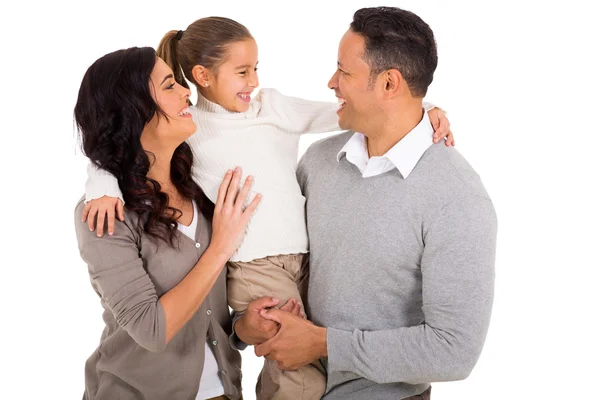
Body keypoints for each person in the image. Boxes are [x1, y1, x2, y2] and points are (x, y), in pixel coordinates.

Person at [81, 17, 454, 400]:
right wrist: (102, 183)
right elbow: (118, 151)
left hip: (243, 357)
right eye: (171, 85)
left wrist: (422, 110)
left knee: (323, 346)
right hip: (152, 376)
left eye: (255, 69)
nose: (186, 95)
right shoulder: (132, 194)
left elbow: (347, 113)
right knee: (299, 374)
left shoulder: (192, 175)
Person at [248, 7, 498, 400]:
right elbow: (281, 264)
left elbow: (454, 351)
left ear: (389, 84)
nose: (331, 82)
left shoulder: (457, 198)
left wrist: (324, 343)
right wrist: (247, 324)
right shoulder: (318, 161)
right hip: (288, 388)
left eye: (344, 72)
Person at [73, 46, 268, 400]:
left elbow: (210, 314)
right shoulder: (103, 214)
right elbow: (152, 330)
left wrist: (243, 328)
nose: (186, 92)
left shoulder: (205, 187)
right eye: (168, 86)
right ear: (133, 112)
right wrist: (220, 247)